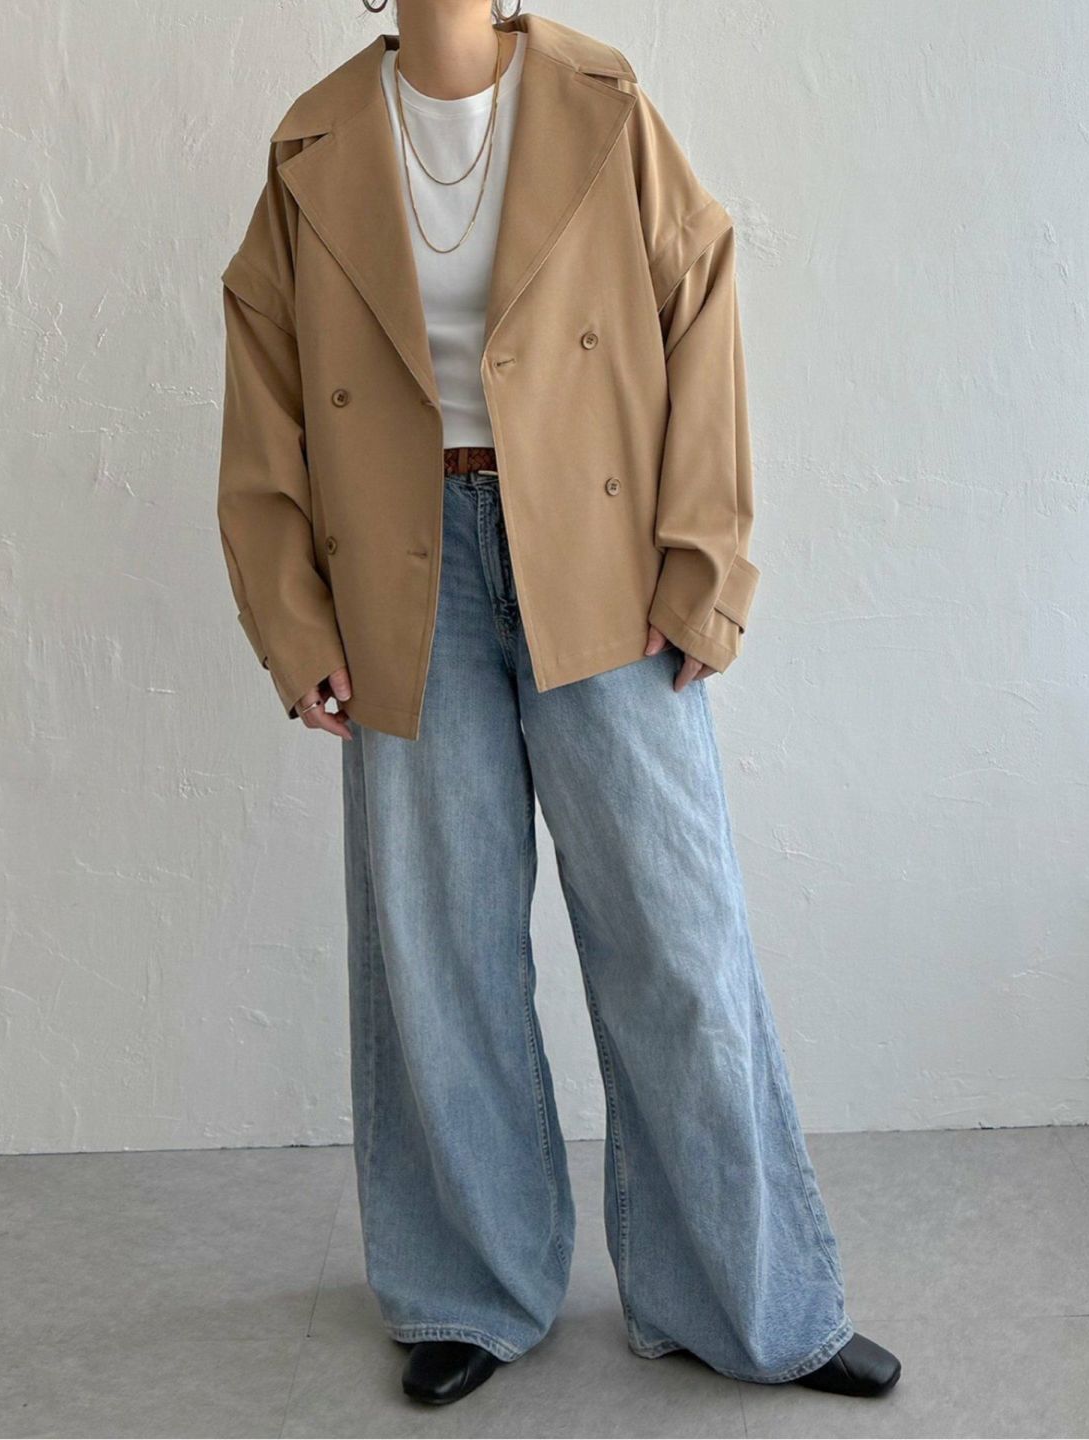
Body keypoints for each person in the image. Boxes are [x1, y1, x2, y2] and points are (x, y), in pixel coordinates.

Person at [216, 0, 901, 1408]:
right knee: (438, 955)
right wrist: (295, 625)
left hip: (597, 561)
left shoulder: (603, 100)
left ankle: (748, 1298)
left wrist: (702, 567)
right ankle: (469, 1287)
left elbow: (701, 302)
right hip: (400, 570)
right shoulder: (316, 140)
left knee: (680, 938)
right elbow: (264, 391)